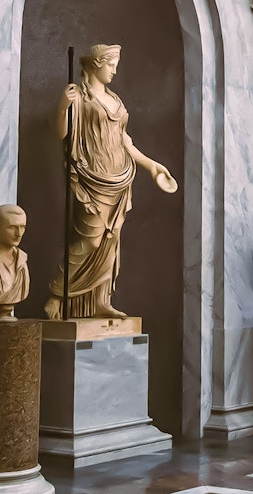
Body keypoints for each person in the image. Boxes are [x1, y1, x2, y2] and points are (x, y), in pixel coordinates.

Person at [44, 44, 176, 320]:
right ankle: (58, 294)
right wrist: (63, 107)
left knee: (111, 240)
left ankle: (101, 301)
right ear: (96, 64)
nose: (115, 70)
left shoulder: (115, 100)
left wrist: (152, 165)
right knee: (90, 239)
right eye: (111, 64)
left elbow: (125, 140)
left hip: (119, 176)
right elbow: (62, 133)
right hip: (93, 177)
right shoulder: (79, 97)